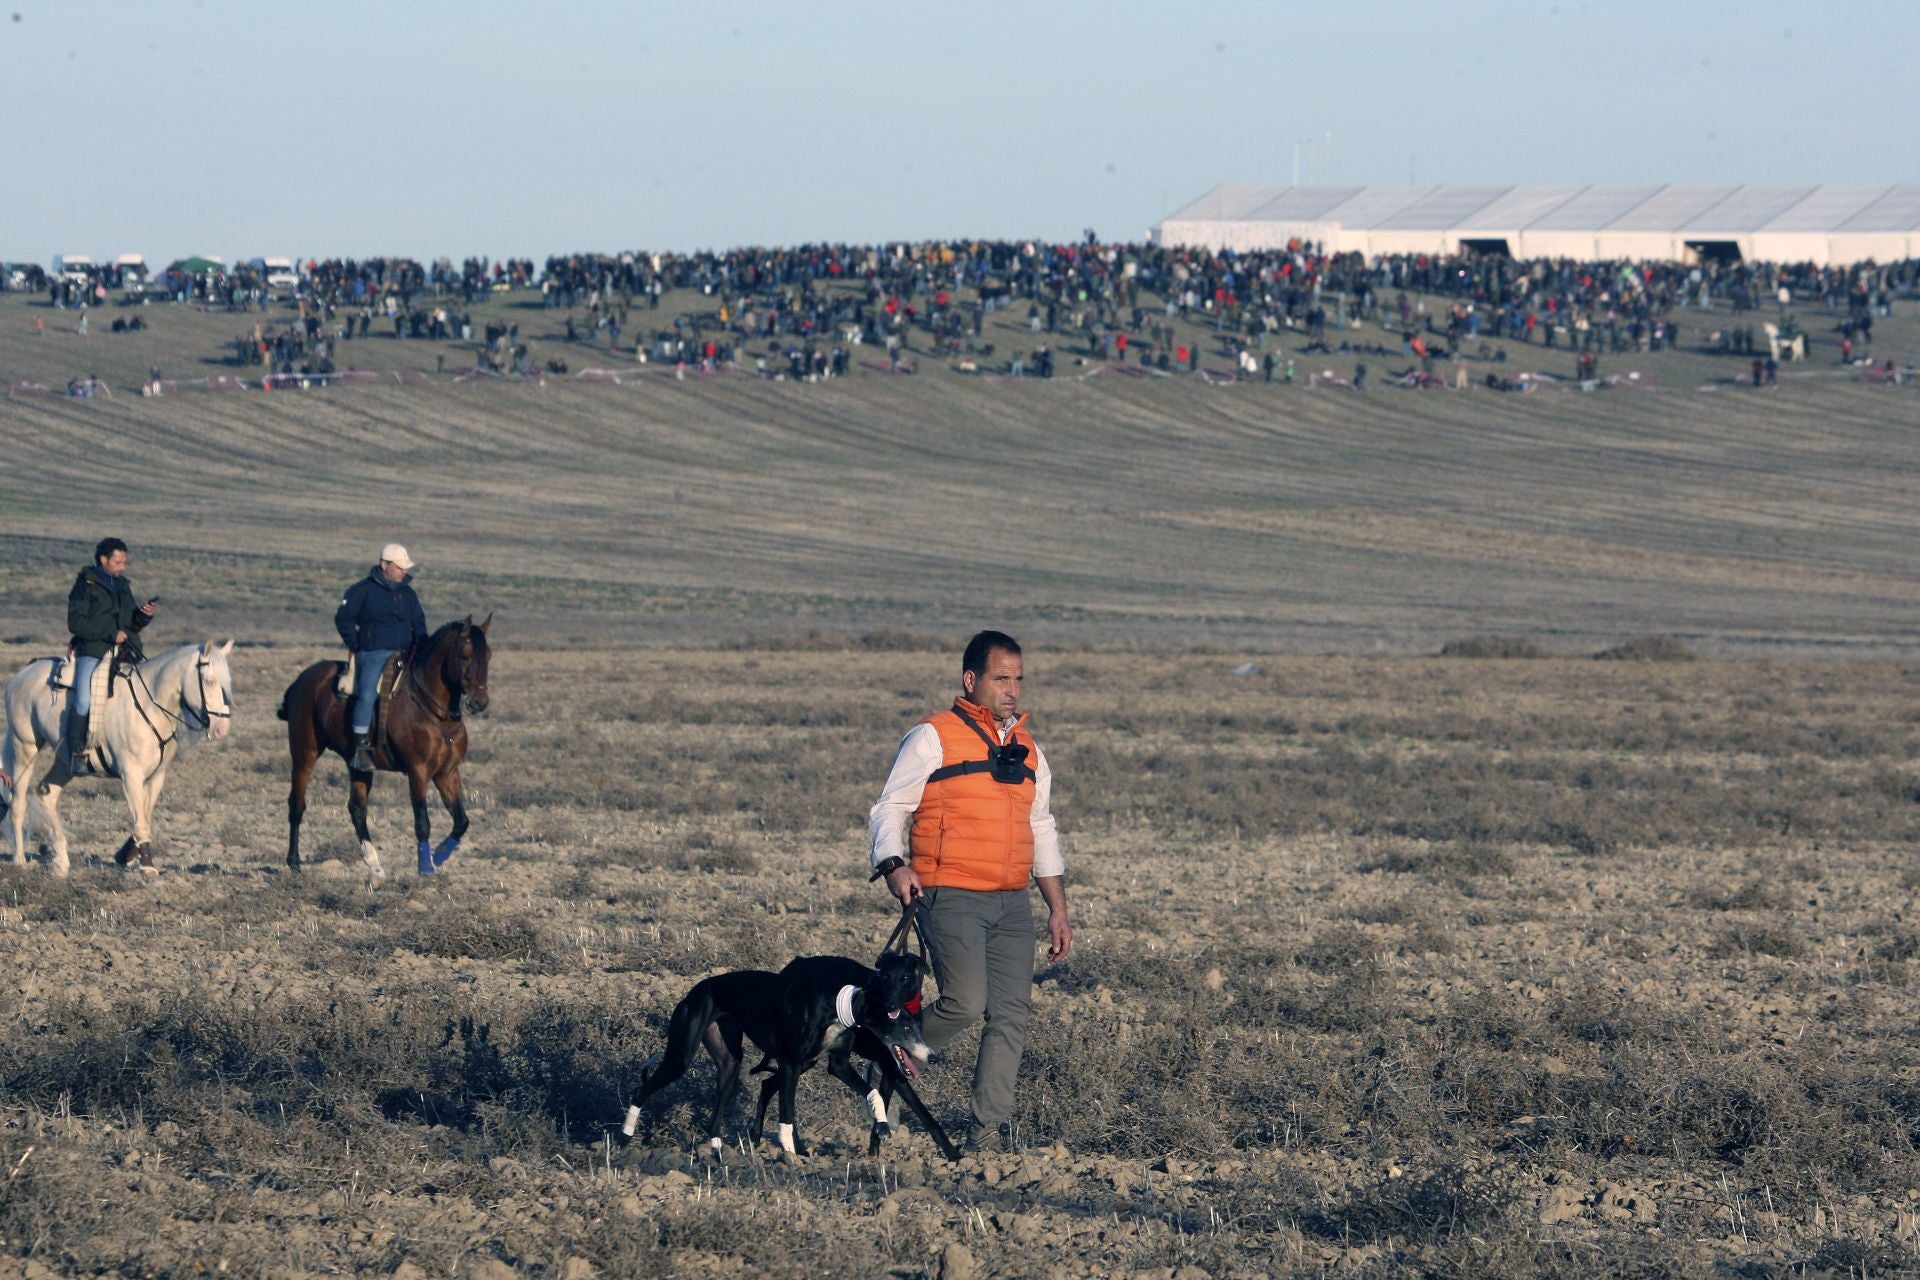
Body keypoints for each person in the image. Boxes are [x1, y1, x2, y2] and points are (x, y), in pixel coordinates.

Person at [868, 630, 1072, 1153]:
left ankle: (985, 1133)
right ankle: (888, 1056)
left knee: (1011, 1014)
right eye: (1001, 678)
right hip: (948, 892)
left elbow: (1042, 825)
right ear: (971, 679)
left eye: (1018, 679)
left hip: (1010, 900)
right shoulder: (932, 736)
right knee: (964, 1002)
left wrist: (1057, 907)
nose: (1012, 690)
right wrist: (894, 865)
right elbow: (890, 808)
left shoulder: (1029, 749)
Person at [65, 537, 156, 770]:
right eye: (117, 562)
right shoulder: (84, 584)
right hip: (92, 650)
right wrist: (109, 634)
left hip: (125, 651)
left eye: (123, 562)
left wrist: (143, 615)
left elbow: (130, 625)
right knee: (84, 697)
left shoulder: (123, 585)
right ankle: (76, 751)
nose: (122, 567)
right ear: (103, 560)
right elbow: (75, 623)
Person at [334, 544, 427, 770]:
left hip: (407, 652)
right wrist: (357, 645)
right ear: (384, 565)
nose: (403, 571)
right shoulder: (361, 590)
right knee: (367, 694)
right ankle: (360, 746)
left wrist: (423, 645)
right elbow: (343, 619)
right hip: (373, 652)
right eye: (399, 567)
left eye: (405, 567)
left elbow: (419, 623)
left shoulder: (408, 593)